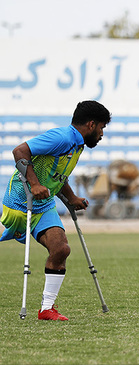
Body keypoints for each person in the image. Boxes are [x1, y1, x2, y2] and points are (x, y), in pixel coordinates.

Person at [1, 100, 111, 320]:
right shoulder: (62, 137)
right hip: (18, 204)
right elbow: (20, 151)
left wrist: (71, 198)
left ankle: (46, 309)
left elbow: (57, 176)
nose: (101, 134)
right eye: (101, 128)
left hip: (44, 205)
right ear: (91, 124)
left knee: (61, 249)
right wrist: (34, 184)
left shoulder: (77, 145)